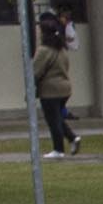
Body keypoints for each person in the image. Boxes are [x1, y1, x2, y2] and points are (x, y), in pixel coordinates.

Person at [30, 11, 80, 154]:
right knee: (57, 116)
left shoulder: (43, 50)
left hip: (50, 90)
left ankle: (58, 149)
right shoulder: (61, 49)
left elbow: (35, 71)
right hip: (64, 88)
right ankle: (72, 137)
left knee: (53, 120)